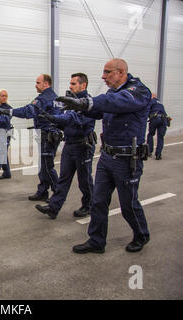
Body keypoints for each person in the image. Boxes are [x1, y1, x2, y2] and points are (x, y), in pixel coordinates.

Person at [56, 58, 151, 253]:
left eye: (108, 72)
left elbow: (116, 102)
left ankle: (141, 234)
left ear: (122, 72)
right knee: (98, 202)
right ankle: (96, 241)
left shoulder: (138, 91)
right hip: (107, 157)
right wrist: (77, 106)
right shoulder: (112, 92)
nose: (103, 76)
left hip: (127, 160)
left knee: (128, 204)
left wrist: (85, 102)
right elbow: (101, 110)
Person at [35, 73, 96, 219]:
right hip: (69, 145)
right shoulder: (69, 103)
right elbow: (64, 121)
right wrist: (52, 120)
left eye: (74, 83)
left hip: (83, 146)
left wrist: (53, 117)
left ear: (83, 85)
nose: (70, 86)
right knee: (63, 179)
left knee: (84, 180)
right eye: (70, 83)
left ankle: (89, 206)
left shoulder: (88, 103)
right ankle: (53, 208)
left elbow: (74, 119)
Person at [0, 74, 62, 201]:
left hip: (47, 137)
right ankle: (42, 191)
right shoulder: (55, 98)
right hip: (50, 136)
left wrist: (8, 111)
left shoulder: (44, 98)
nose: (35, 85)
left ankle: (58, 194)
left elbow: (28, 111)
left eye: (38, 82)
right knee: (43, 165)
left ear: (46, 84)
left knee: (47, 167)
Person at [146, 93, 169, 160]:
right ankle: (158, 155)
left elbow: (146, 110)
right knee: (160, 137)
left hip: (155, 119)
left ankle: (149, 151)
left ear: (152, 97)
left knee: (150, 134)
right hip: (164, 119)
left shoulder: (151, 101)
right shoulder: (160, 102)